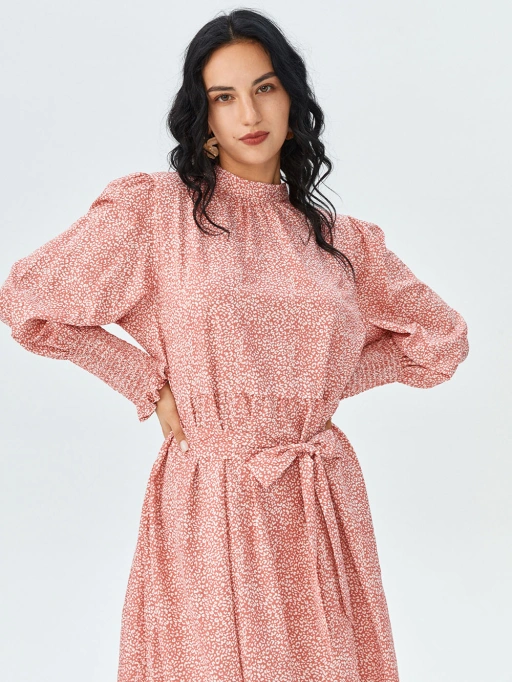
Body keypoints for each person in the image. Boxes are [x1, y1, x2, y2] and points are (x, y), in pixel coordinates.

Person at [0, 8, 469, 682]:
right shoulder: (155, 213)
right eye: (224, 96)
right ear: (204, 117)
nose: (249, 112)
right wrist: (145, 381)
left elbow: (441, 339)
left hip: (316, 497)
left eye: (265, 87)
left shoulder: (343, 242)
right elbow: (26, 300)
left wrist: (321, 385)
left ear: (293, 99)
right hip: (209, 494)